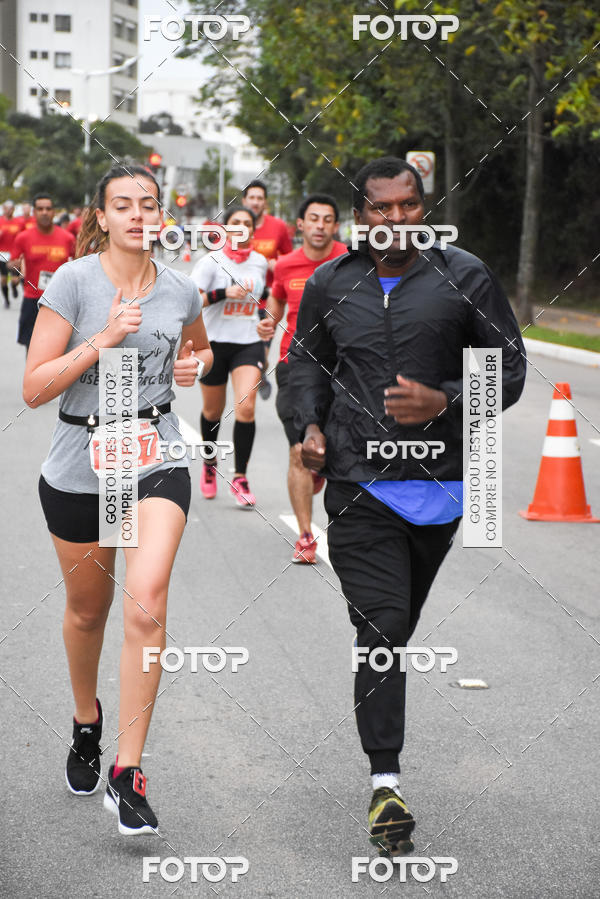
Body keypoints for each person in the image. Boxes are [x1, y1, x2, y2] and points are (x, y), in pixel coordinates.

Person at [288, 156, 526, 853]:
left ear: (425, 208)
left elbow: (508, 367)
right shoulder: (330, 284)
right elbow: (303, 364)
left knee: (397, 630)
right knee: (384, 629)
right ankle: (385, 783)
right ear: (360, 215)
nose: (396, 220)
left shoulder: (465, 275)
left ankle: (381, 729)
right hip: (359, 487)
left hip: (442, 489)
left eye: (409, 206)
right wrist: (306, 426)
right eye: (381, 208)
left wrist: (444, 401)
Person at [22, 164, 213, 836]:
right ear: (100, 216)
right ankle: (86, 720)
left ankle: (128, 771)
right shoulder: (73, 283)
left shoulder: (182, 288)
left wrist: (197, 367)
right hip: (81, 459)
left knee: (148, 596)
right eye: (123, 205)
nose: (138, 214)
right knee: (86, 609)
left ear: (162, 215)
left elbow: (199, 352)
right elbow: (34, 388)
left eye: (149, 204)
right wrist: (101, 340)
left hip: (154, 452)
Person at [257, 193, 347, 563]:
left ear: (335, 226)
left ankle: (323, 475)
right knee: (299, 452)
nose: (320, 225)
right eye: (314, 218)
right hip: (295, 367)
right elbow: (277, 303)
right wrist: (269, 322)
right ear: (302, 225)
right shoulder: (285, 266)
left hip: (344, 368)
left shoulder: (351, 261)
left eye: (327, 219)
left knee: (340, 452)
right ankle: (306, 537)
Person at [190, 206, 267, 507]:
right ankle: (209, 465)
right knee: (213, 411)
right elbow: (192, 300)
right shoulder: (211, 262)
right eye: (235, 223)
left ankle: (240, 478)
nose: (241, 228)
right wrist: (222, 294)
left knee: (245, 408)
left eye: (247, 224)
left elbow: (262, 298)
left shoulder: (260, 262)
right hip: (213, 344)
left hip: (247, 343)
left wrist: (264, 320)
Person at [242, 179, 293, 399]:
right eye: (251, 197)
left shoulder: (278, 227)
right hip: (241, 300)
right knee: (246, 351)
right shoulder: (236, 227)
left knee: (260, 350)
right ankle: (253, 377)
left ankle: (259, 372)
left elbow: (290, 259)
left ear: (265, 202)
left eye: (259, 198)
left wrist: (277, 264)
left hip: (269, 299)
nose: (255, 202)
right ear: (244, 200)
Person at [12, 194, 76, 351]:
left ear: (54, 212)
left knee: (60, 349)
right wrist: (16, 268)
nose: (45, 212)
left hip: (59, 301)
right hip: (32, 299)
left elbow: (76, 264)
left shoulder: (67, 238)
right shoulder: (23, 238)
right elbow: (13, 263)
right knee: (32, 348)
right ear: (34, 212)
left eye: (48, 208)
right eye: (40, 209)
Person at [0, 199, 23, 306]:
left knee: (15, 280)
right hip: (2, 254)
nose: (8, 211)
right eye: (6, 208)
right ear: (4, 209)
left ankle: (14, 287)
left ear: (13, 209)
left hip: (15, 255)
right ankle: (6, 300)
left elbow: (23, 237)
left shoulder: (19, 222)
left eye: (11, 209)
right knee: (3, 279)